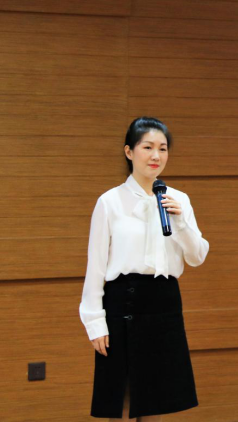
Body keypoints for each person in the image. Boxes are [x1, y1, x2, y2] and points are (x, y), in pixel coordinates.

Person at [79, 116, 210, 421]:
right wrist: (95, 322)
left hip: (163, 302)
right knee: (121, 397)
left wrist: (181, 222)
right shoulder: (110, 202)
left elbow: (197, 257)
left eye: (162, 149)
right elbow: (95, 266)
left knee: (157, 399)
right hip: (123, 301)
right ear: (129, 152)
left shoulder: (179, 200)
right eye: (147, 147)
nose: (156, 156)